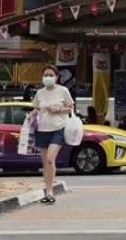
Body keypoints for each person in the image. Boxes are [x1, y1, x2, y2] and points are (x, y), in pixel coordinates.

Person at [31, 65, 74, 204]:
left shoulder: (63, 91)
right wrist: (30, 116)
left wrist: (58, 109)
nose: (48, 77)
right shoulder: (40, 93)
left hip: (58, 128)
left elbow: (70, 108)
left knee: (50, 159)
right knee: (46, 163)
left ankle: (50, 191)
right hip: (42, 129)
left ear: (56, 77)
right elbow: (36, 109)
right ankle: (48, 191)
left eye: (51, 75)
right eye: (45, 75)